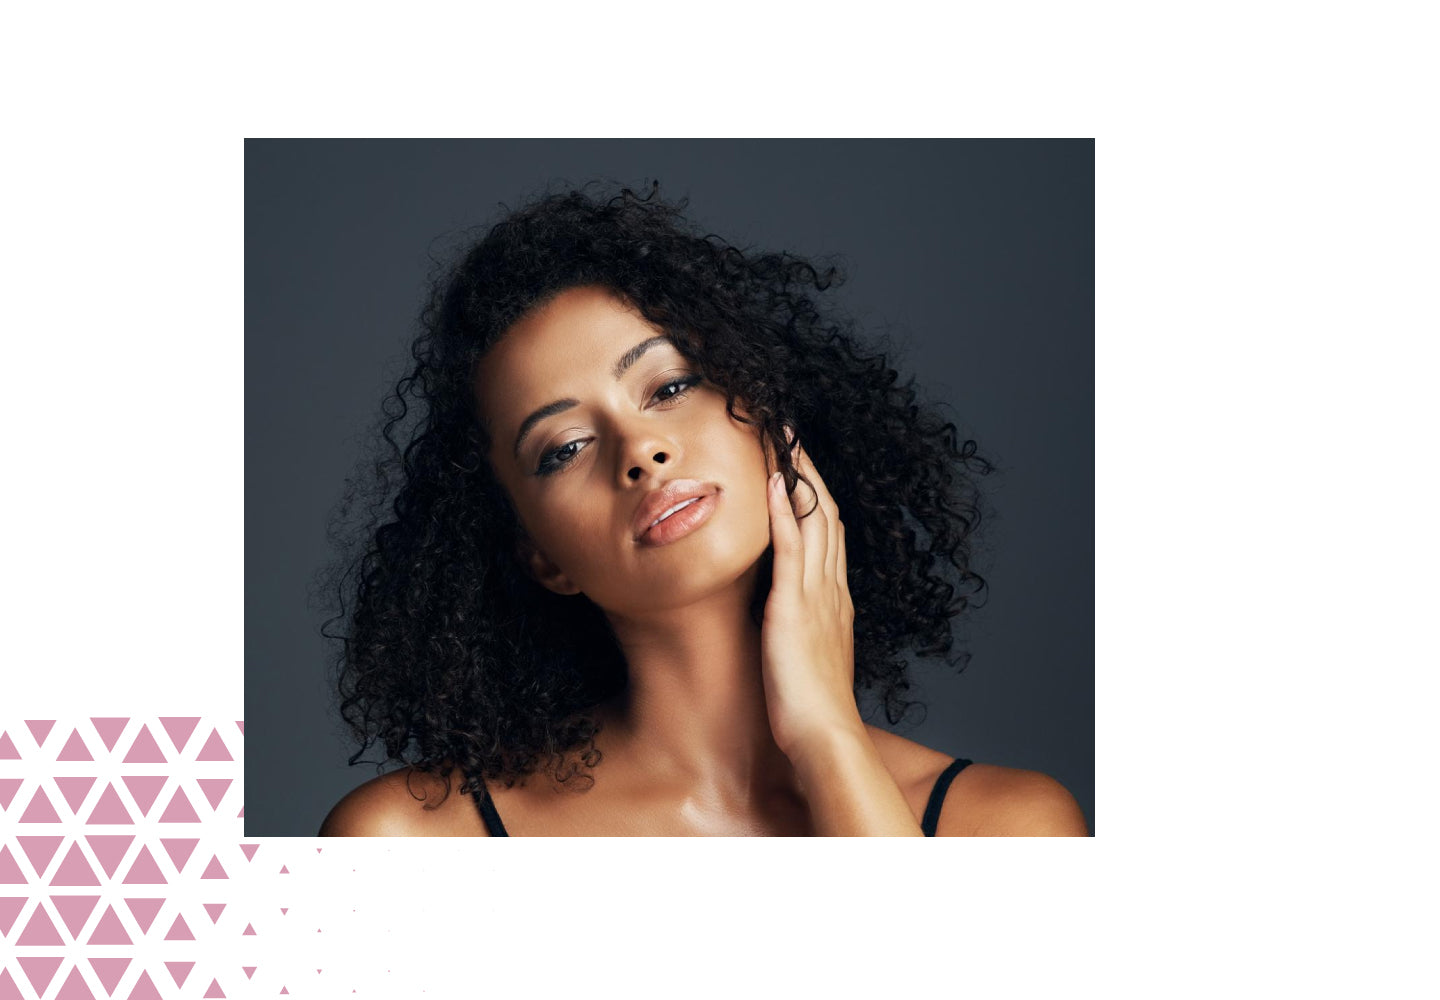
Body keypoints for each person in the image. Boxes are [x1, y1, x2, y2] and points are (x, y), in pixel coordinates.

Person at [319, 182, 1087, 836]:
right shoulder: (413, 843)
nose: (640, 450)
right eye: (564, 447)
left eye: (669, 387)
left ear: (765, 411)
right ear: (540, 554)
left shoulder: (1005, 825)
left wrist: (826, 737)